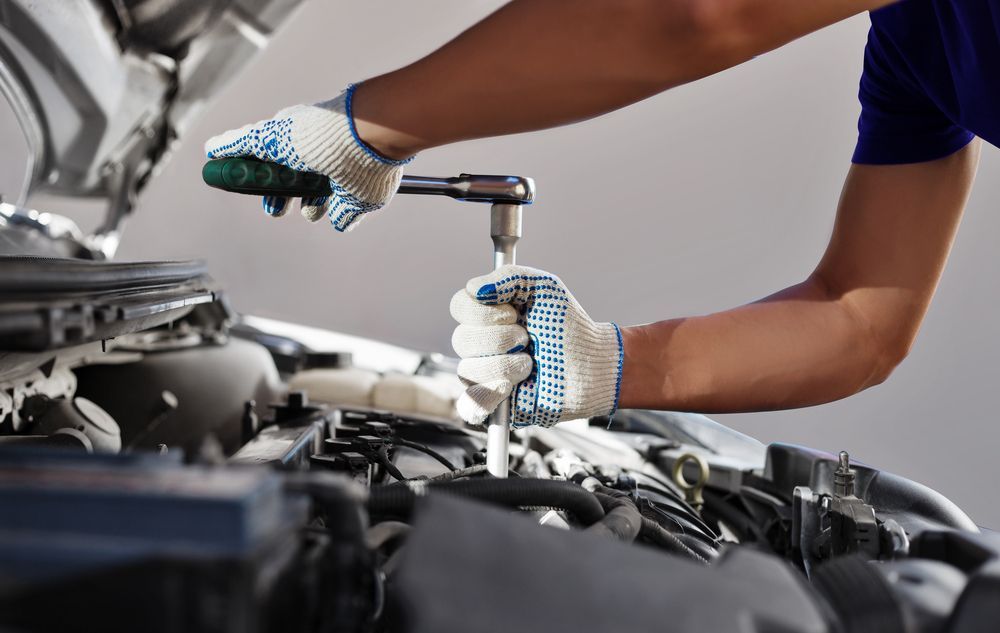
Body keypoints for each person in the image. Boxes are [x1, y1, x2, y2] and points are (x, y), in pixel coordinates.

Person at [207, 0, 989, 428]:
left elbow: (699, 15)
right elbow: (862, 319)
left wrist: (366, 125)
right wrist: (606, 362)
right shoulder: (922, 48)